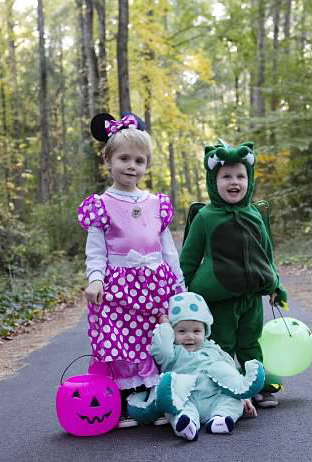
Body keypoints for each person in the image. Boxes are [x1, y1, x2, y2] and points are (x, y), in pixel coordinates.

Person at [77, 112, 185, 428]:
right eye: (124, 158)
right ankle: (125, 400)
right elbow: (96, 251)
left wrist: (179, 285)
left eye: (139, 160)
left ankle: (157, 398)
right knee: (121, 340)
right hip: (118, 287)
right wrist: (96, 280)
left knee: (158, 338)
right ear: (108, 160)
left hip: (155, 284)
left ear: (146, 165)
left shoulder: (156, 203)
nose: (131, 166)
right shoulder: (101, 204)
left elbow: (168, 249)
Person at [180, 140, 288, 409]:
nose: (234, 182)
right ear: (213, 180)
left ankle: (257, 386)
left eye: (240, 175)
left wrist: (276, 284)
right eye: (226, 176)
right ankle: (226, 387)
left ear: (249, 179)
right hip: (220, 298)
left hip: (251, 297)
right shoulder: (205, 217)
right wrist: (181, 295)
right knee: (224, 345)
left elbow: (266, 254)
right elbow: (189, 258)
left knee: (251, 343)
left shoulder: (255, 214)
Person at [147, 292, 259, 442]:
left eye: (196, 331)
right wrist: (165, 326)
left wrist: (244, 397)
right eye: (181, 331)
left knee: (232, 401)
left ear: (206, 331)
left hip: (215, 396)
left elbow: (231, 373)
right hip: (187, 397)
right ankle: (187, 424)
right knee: (176, 408)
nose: (190, 336)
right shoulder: (173, 352)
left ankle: (221, 419)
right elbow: (162, 349)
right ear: (173, 333)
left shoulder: (213, 349)